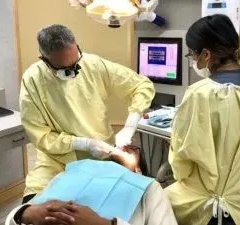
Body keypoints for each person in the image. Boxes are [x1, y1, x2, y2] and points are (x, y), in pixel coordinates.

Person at [165, 14, 240, 225]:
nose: (193, 61)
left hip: (213, 211)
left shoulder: (199, 94)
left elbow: (181, 166)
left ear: (205, 54)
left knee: (153, 202)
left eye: (192, 55)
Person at [20, 24, 155, 201]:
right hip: (57, 159)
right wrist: (83, 144)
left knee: (127, 199)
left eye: (77, 64)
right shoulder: (33, 80)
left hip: (104, 155)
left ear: (77, 46)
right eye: (66, 70)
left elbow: (142, 85)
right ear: (44, 60)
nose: (75, 73)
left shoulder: (93, 64)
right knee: (33, 203)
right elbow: (41, 136)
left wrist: (130, 125)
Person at [5, 154, 178, 225]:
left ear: (138, 171)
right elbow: (10, 220)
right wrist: (27, 213)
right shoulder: (68, 174)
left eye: (131, 151)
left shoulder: (147, 188)